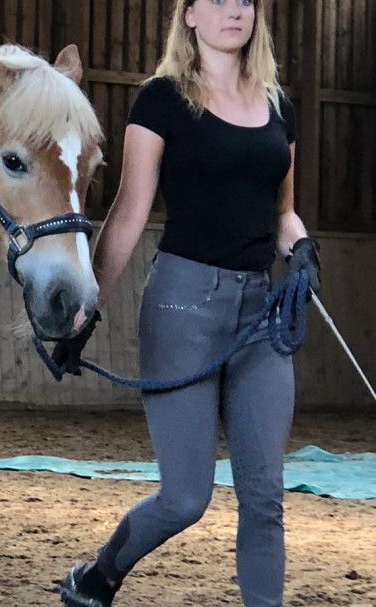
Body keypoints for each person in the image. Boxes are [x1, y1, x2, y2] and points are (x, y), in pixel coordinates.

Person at [53, 1, 321, 606]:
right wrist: (84, 312)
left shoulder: (279, 105)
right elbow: (129, 211)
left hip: (261, 316)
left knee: (264, 497)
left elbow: (283, 212)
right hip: (183, 308)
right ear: (191, 15)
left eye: (246, 1)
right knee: (184, 498)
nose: (235, 11)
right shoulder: (161, 100)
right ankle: (99, 577)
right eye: (219, 0)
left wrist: (302, 248)